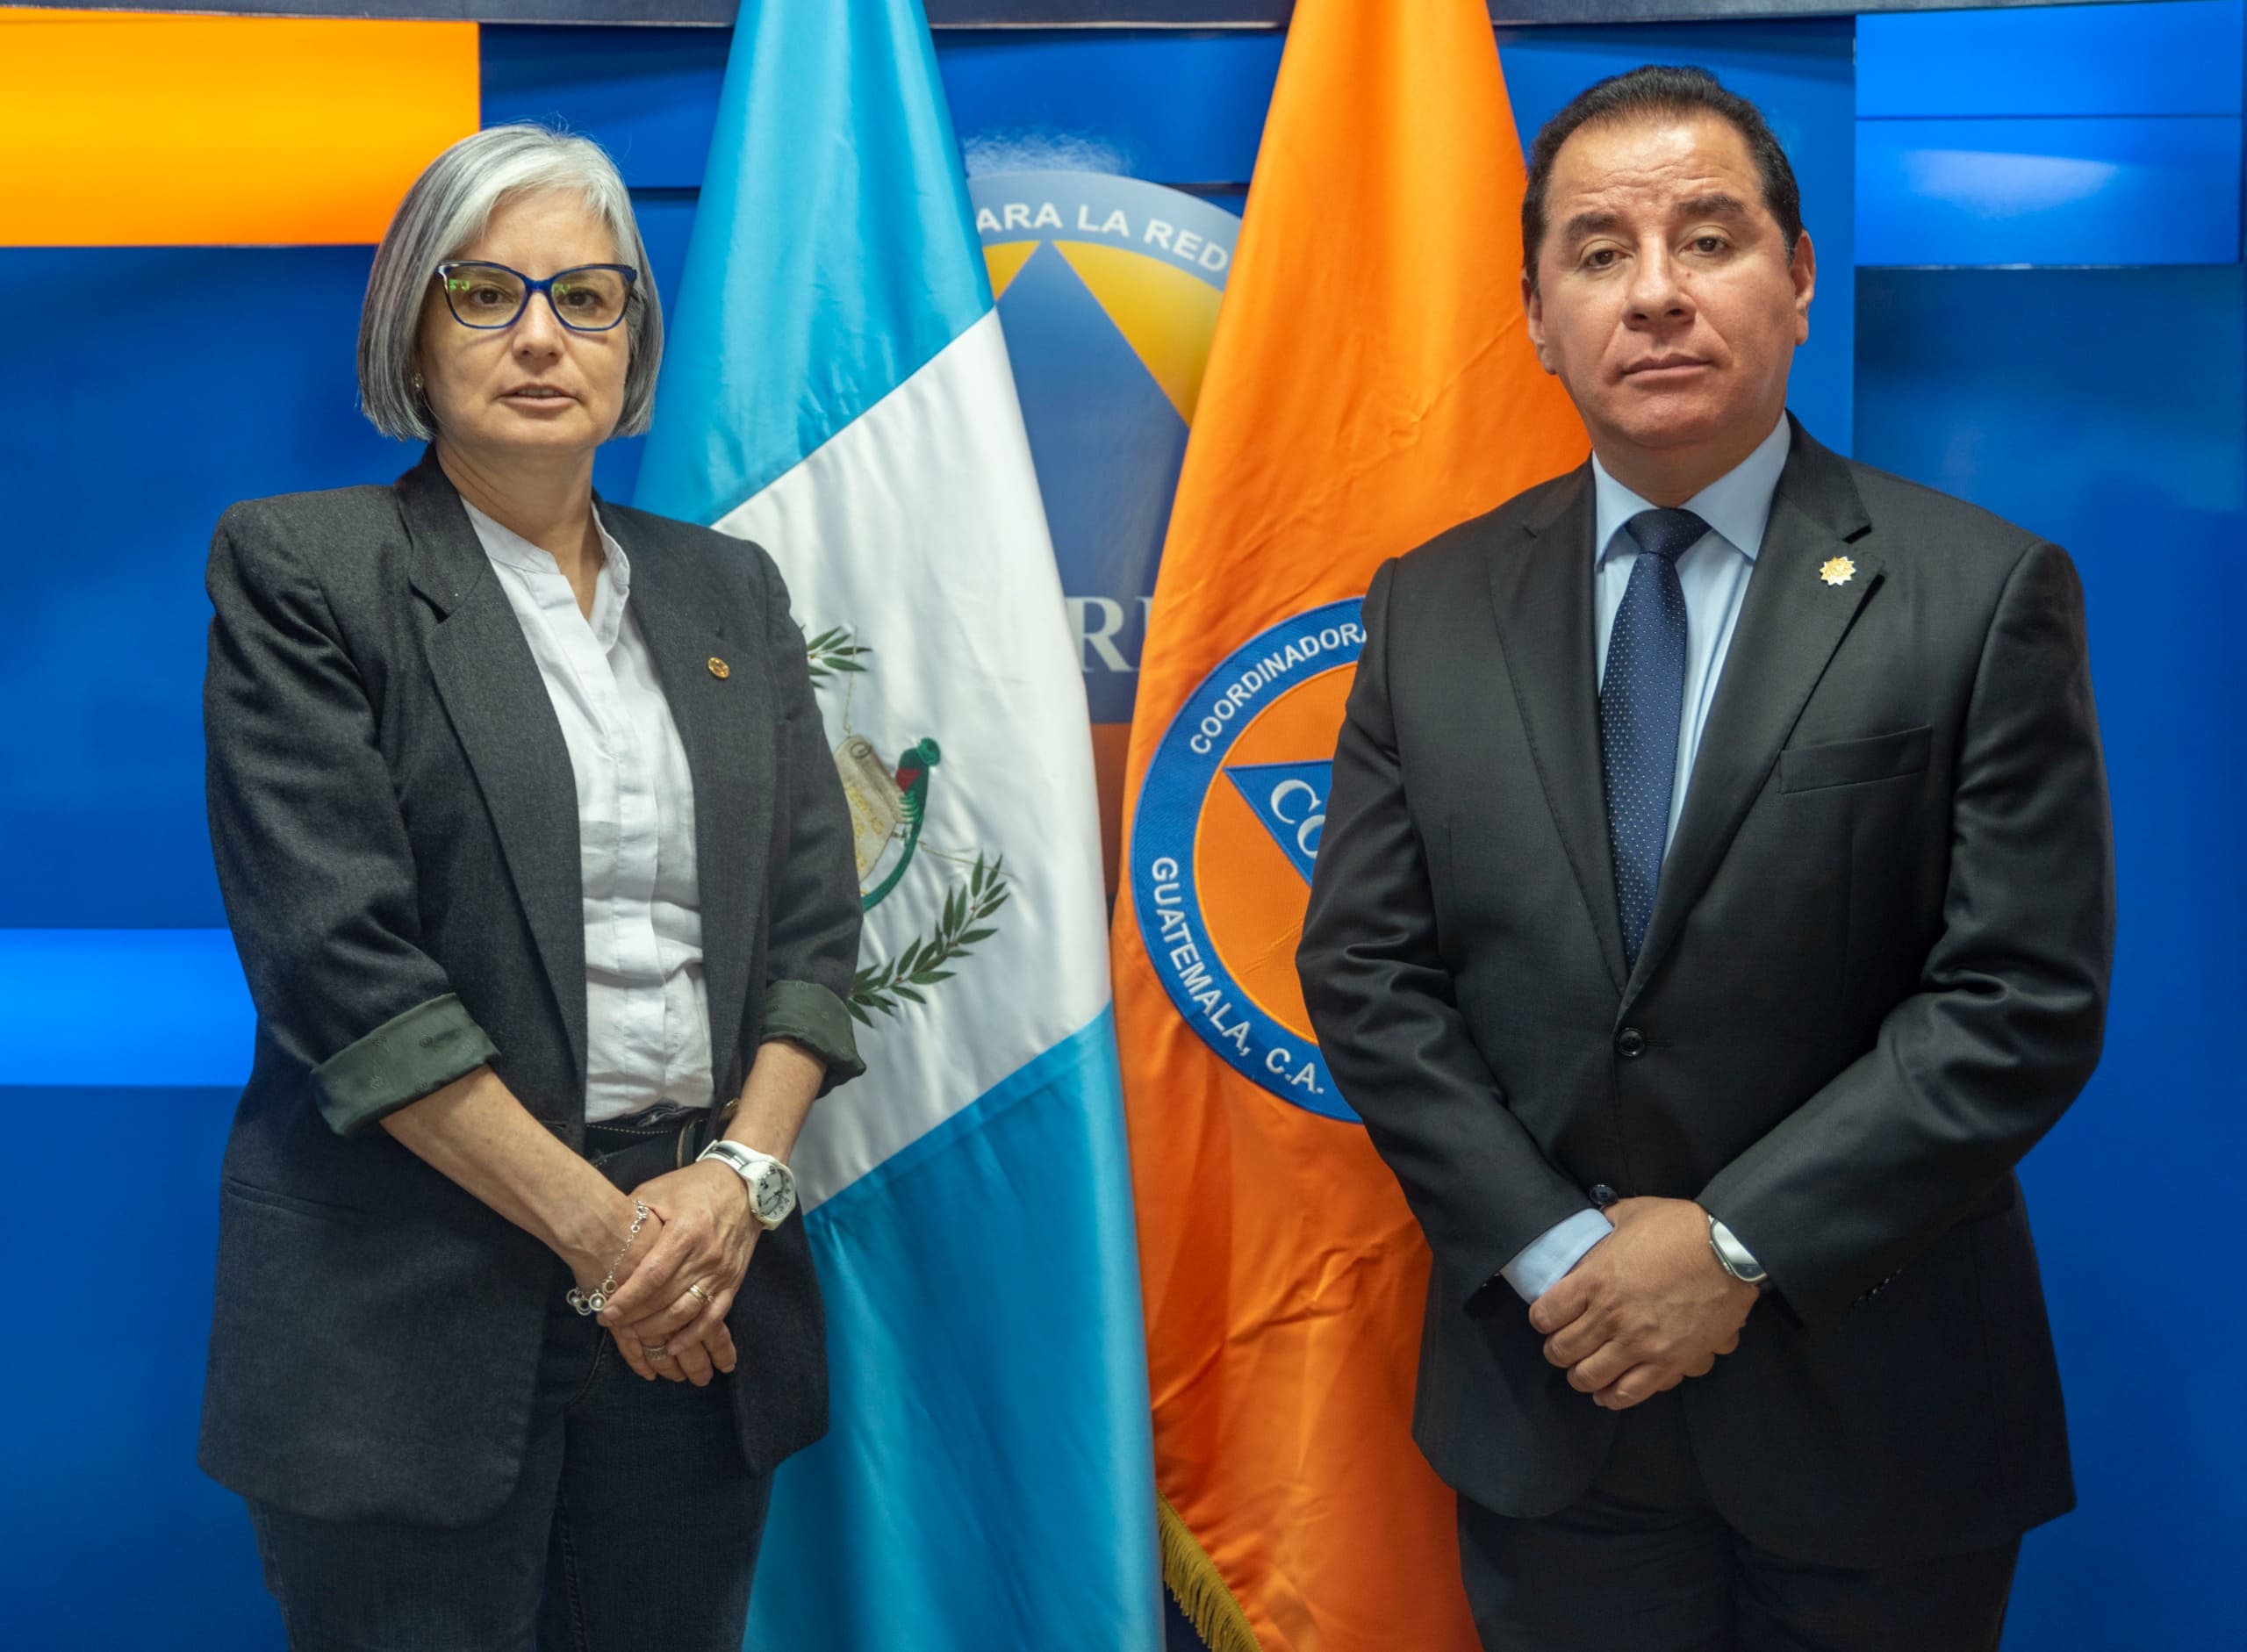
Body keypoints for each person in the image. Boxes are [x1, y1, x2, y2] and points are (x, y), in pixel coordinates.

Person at [1297, 65, 2112, 1652]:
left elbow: (2021, 996)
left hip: (1877, 1410)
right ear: (1536, 316)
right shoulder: (1430, 605)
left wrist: (1736, 1246)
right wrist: (1562, 1256)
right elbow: (1368, 970)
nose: (1656, 292)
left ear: (1798, 278)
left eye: (1709, 239)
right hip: (1557, 1399)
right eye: (1599, 251)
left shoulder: (1980, 591)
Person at [198, 124, 864, 1651]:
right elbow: (344, 976)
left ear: (635, 341)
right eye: (487, 293)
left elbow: (813, 928)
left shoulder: (728, 590)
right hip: (416, 1312)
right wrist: (618, 1245)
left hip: (703, 1287)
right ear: (411, 336)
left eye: (588, 296)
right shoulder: (308, 570)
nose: (544, 336)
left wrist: (735, 1183)